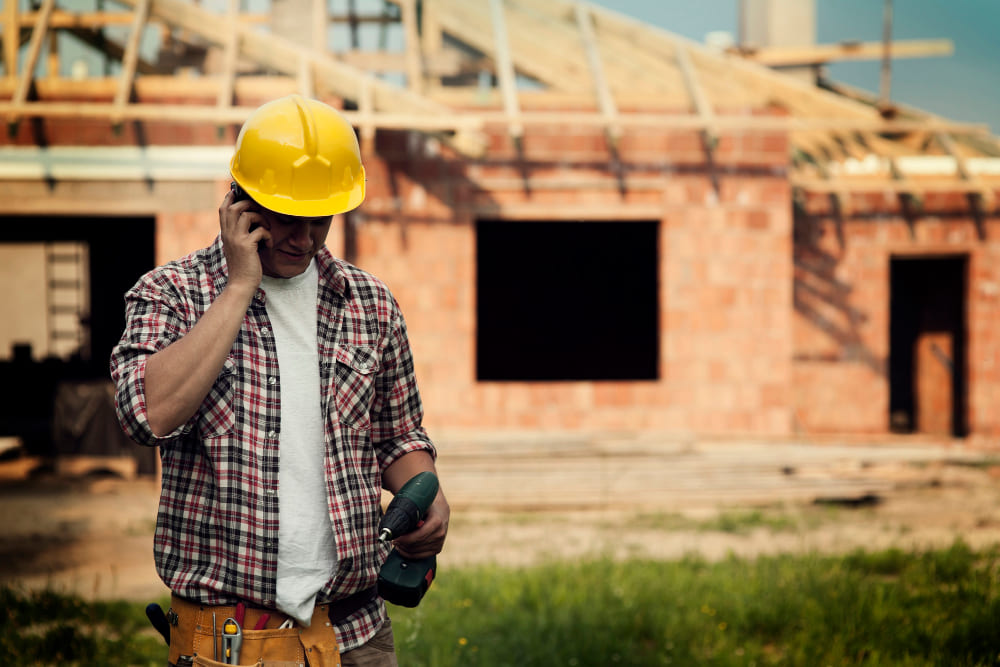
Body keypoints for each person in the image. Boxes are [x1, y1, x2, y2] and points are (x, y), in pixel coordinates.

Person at [110, 94, 448, 667]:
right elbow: (148, 414)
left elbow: (398, 436)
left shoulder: (369, 305)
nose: (307, 238)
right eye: (289, 217)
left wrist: (429, 494)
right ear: (239, 202)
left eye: (322, 219)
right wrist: (239, 285)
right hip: (228, 643)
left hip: (356, 635)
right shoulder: (171, 294)